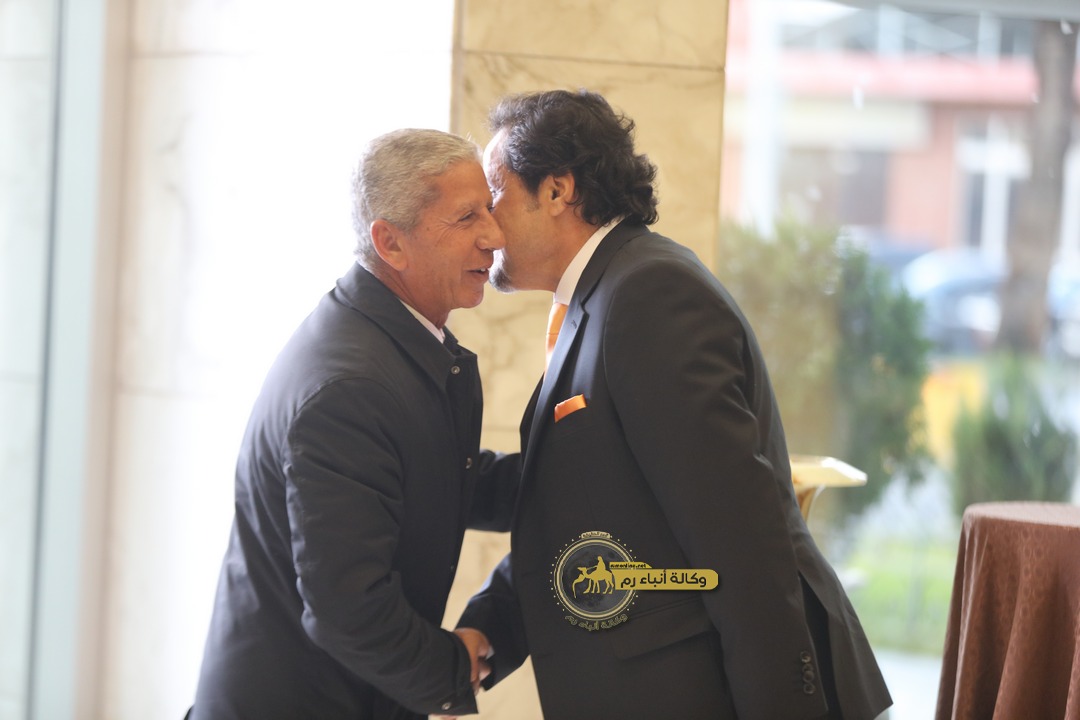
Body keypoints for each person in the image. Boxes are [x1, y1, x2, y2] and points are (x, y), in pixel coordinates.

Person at [454, 90, 893, 720]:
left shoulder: (648, 293)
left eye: (492, 197)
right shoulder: (606, 293)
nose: (485, 228)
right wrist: (491, 621)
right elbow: (582, 507)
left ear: (556, 191)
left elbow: (737, 532)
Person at [188, 128, 518, 720]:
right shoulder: (350, 390)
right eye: (467, 217)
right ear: (390, 242)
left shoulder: (391, 340)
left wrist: (576, 481)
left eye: (489, 210)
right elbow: (350, 610)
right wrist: (452, 671)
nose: (494, 236)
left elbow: (437, 477)